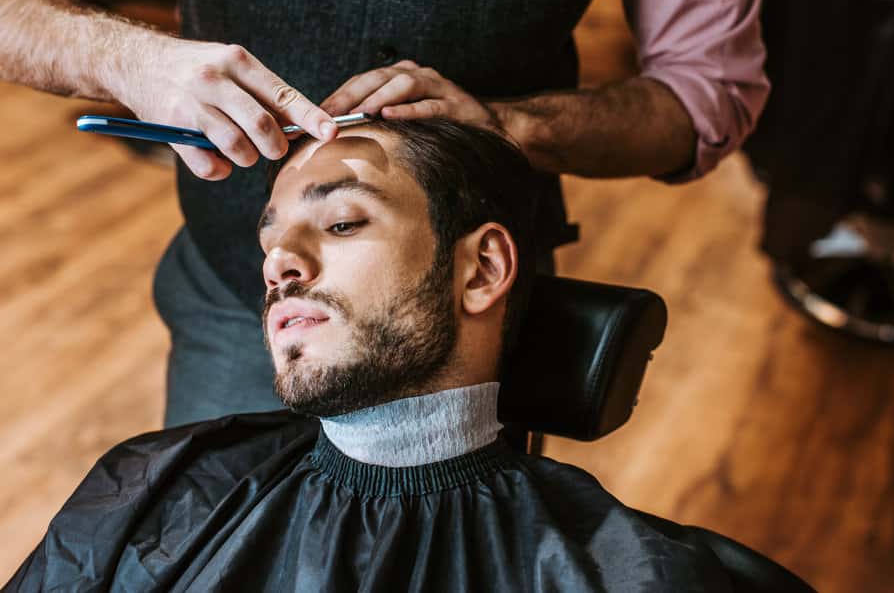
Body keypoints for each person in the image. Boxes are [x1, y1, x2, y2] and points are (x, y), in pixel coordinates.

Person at [0, 0, 770, 426]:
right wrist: (125, 59)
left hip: (473, 331)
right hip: (237, 303)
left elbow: (709, 92)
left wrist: (515, 125)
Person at [5, 120, 730, 592]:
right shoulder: (153, 490)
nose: (279, 261)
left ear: (479, 269)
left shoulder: (624, 573)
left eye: (342, 221)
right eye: (270, 238)